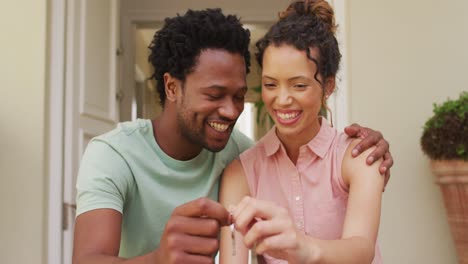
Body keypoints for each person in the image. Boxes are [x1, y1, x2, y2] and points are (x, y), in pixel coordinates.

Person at [72, 8, 392, 264]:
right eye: (214, 94)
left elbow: (359, 246)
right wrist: (159, 260)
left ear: (328, 86)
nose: (229, 111)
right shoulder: (113, 154)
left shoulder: (238, 153)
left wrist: (366, 155)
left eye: (238, 96)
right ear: (172, 87)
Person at [220, 1, 386, 263]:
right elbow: (232, 254)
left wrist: (303, 248)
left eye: (299, 85)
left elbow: (362, 249)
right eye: (271, 84)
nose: (282, 100)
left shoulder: (357, 156)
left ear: (328, 86)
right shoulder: (241, 172)